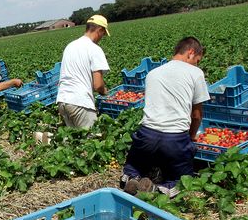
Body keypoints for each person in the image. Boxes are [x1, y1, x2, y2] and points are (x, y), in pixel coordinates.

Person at [121, 37, 210, 197]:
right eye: (197, 60)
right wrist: (190, 138)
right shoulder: (195, 73)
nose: (197, 64)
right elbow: (196, 115)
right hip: (174, 139)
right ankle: (161, 189)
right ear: (191, 53)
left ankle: (130, 177)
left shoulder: (153, 73)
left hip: (146, 134)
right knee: (181, 179)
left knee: (135, 164)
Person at [56, 15, 111, 129]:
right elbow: (98, 85)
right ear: (99, 30)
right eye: (103, 33)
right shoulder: (94, 49)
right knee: (93, 141)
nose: (102, 37)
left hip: (63, 100)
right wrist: (104, 91)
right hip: (80, 102)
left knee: (74, 141)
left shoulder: (71, 46)